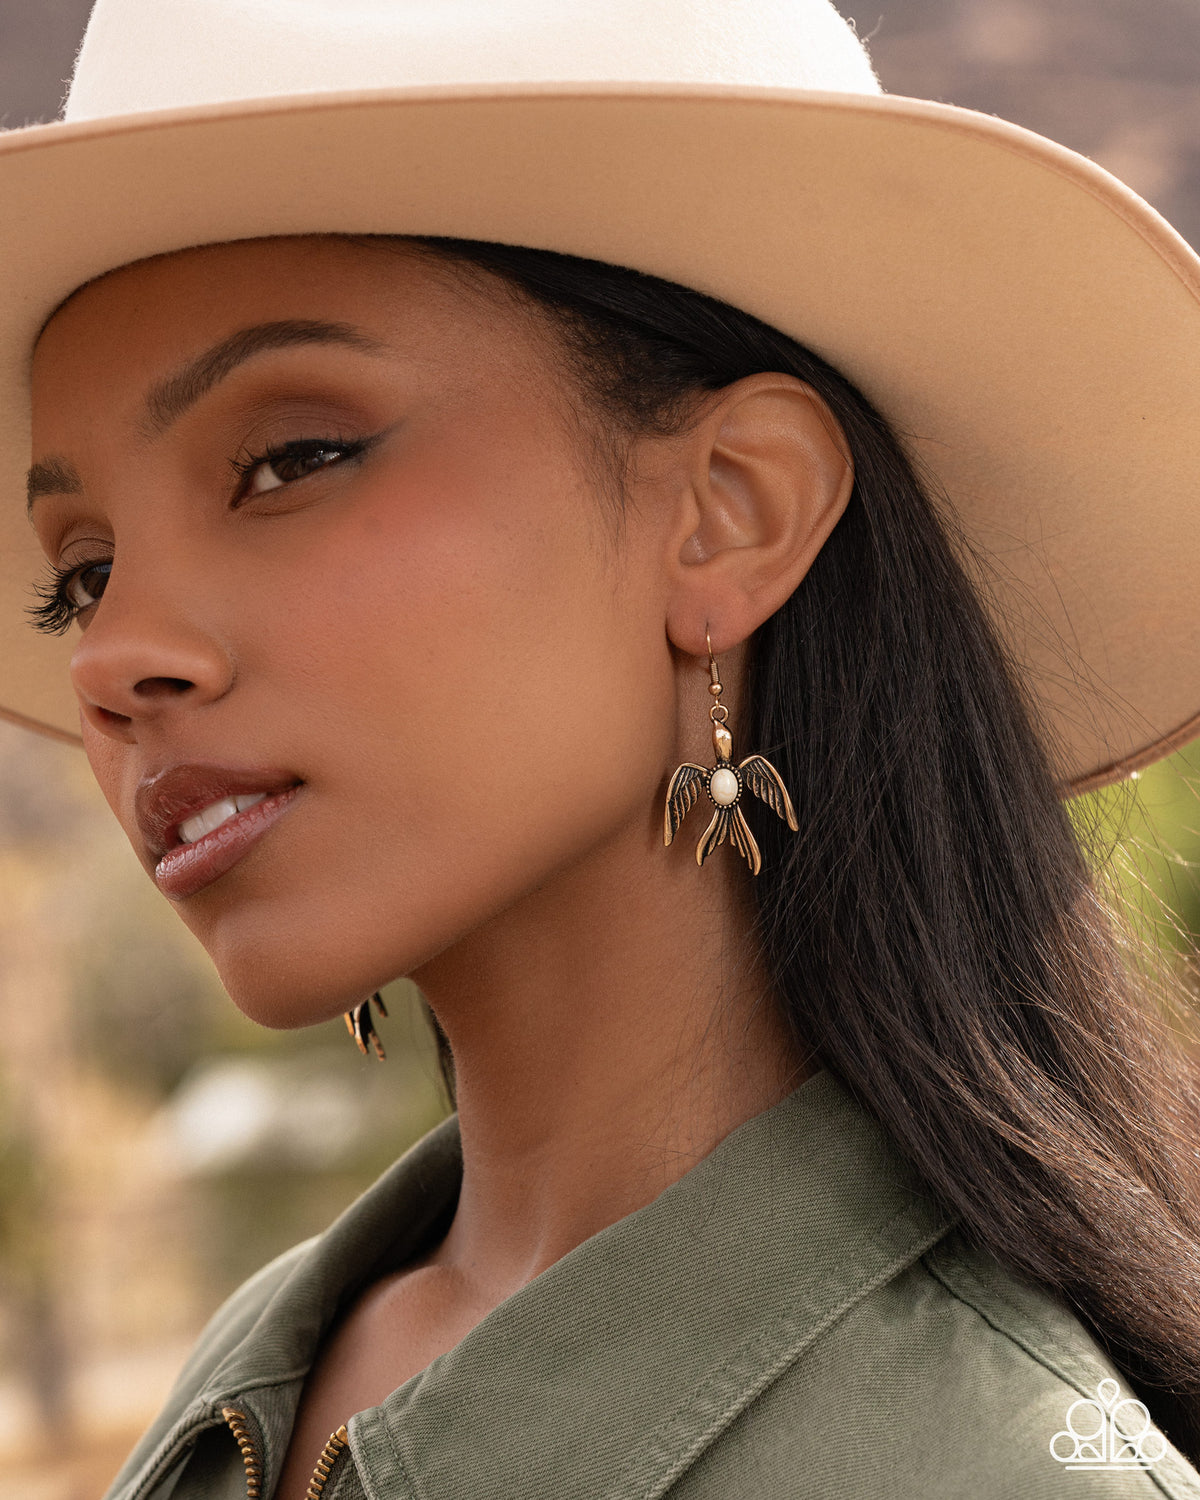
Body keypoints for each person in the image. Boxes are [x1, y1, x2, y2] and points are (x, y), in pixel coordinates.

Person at [3, 0, 1200, 1495]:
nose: (113, 655)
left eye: (289, 459)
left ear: (732, 512)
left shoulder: (984, 1467)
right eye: (83, 570)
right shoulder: (258, 1375)